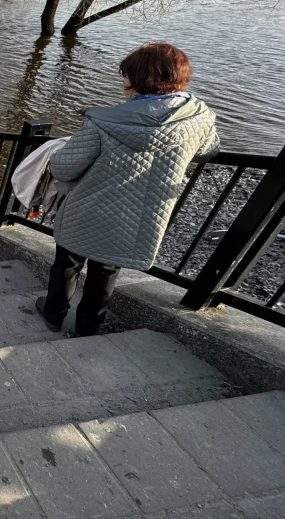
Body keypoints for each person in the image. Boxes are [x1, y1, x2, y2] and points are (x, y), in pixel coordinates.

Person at [36, 42, 219, 336]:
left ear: (141, 78)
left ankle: (53, 314)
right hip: (136, 217)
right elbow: (209, 150)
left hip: (87, 209)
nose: (123, 82)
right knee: (106, 272)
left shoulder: (103, 121)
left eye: (126, 75)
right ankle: (88, 328)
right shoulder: (199, 118)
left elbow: (63, 168)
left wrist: (60, 151)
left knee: (67, 265)